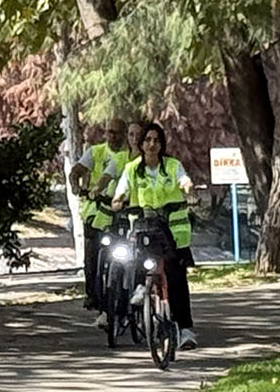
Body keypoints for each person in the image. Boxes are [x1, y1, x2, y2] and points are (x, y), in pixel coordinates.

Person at [111, 120, 198, 350]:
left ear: (162, 144)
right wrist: (118, 202)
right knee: (134, 259)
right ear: (141, 144)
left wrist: (189, 192)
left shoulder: (172, 166)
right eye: (147, 140)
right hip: (144, 229)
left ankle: (185, 330)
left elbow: (185, 181)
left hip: (173, 232)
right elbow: (120, 193)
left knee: (176, 279)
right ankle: (141, 287)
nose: (152, 144)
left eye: (156, 140)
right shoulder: (132, 169)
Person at [70, 116, 132, 314]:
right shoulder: (95, 152)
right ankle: (92, 293)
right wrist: (76, 187)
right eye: (110, 132)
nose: (113, 136)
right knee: (93, 254)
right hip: (95, 211)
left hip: (123, 212)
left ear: (124, 135)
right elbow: (76, 171)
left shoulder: (129, 155)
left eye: (117, 133)